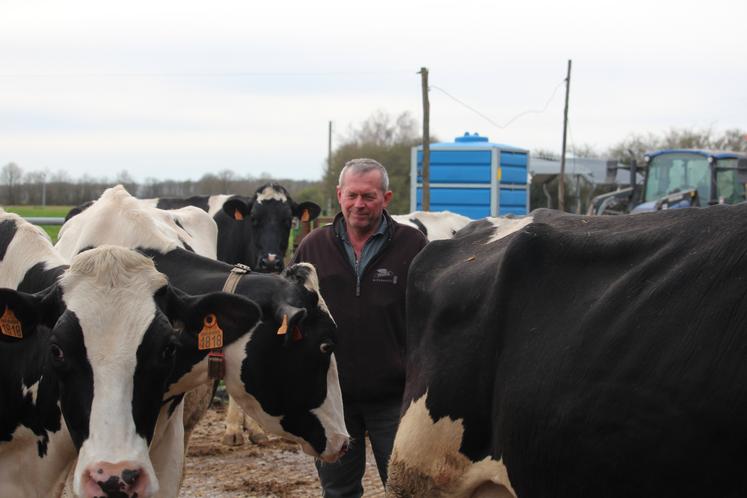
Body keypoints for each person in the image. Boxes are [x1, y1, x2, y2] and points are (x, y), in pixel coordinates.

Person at [292, 158, 428, 497]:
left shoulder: (413, 246)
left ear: (387, 197)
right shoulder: (312, 248)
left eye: (369, 196)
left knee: (405, 489)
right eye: (352, 195)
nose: (359, 205)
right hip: (333, 398)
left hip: (395, 399)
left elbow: (430, 318)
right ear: (339, 195)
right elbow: (295, 316)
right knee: (338, 491)